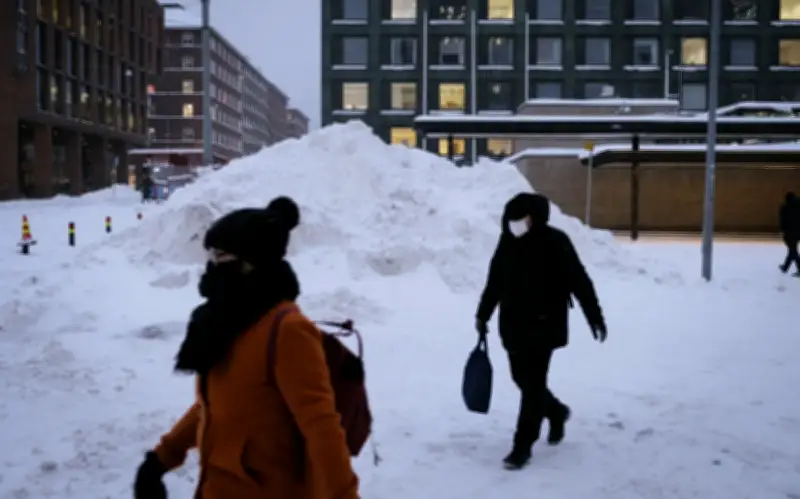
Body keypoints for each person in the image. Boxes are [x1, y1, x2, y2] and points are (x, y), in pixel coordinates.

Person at [133, 196, 360, 499]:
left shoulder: (287, 331)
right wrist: (161, 458)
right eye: (210, 256)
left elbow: (321, 428)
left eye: (221, 256)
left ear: (252, 263)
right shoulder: (227, 323)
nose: (211, 267)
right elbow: (215, 405)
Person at [475, 192, 607, 470]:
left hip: (544, 324)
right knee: (521, 379)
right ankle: (556, 412)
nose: (514, 225)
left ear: (534, 218)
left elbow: (579, 280)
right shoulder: (507, 241)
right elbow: (495, 280)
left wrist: (594, 316)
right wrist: (483, 314)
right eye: (510, 220)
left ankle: (522, 445)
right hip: (512, 324)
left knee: (533, 385)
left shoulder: (556, 242)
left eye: (520, 219)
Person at [779, 191, 800, 276]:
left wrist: (782, 229)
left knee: (793, 250)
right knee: (792, 249)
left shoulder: (785, 207)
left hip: (789, 231)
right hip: (798, 231)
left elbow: (783, 220)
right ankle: (785, 267)